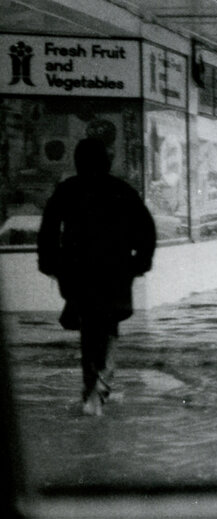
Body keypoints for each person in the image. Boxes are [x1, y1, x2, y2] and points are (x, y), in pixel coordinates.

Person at [37, 138, 156, 416]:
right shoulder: (121, 190)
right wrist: (140, 262)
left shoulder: (68, 190)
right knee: (109, 325)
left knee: (88, 328)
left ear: (78, 162)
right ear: (106, 162)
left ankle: (92, 387)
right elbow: (146, 230)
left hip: (79, 272)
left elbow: (48, 230)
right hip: (115, 272)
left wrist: (49, 263)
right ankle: (100, 383)